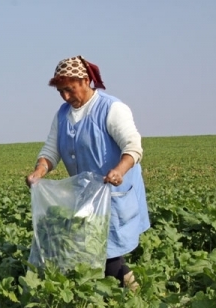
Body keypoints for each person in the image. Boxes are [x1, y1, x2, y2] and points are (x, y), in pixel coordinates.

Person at [26, 55, 149, 291]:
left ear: (85, 81)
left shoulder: (112, 108)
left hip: (114, 193)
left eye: (70, 90)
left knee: (107, 251)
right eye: (61, 91)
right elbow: (51, 150)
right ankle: (120, 292)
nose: (65, 97)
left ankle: (134, 293)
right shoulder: (62, 115)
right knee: (95, 249)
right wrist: (39, 171)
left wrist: (119, 170)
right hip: (86, 196)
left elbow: (133, 146)